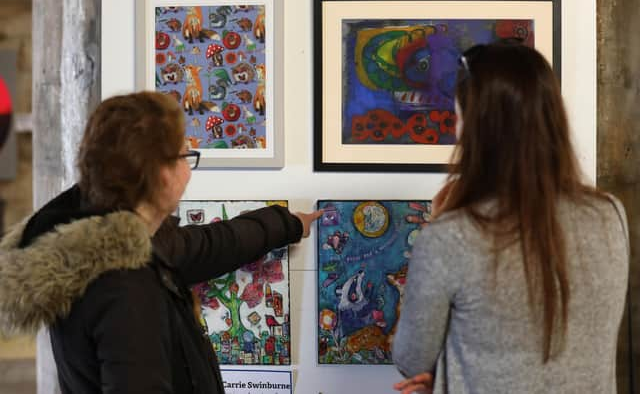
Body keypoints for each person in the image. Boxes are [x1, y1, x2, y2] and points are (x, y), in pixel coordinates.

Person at [0, 91, 321, 394]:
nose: (189, 169)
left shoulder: (108, 238)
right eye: (185, 156)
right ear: (161, 174)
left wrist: (287, 223)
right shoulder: (124, 287)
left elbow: (211, 246)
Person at [392, 40, 629, 394]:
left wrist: (438, 224)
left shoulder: (450, 236)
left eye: (458, 118)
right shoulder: (609, 214)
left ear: (475, 129)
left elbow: (412, 359)